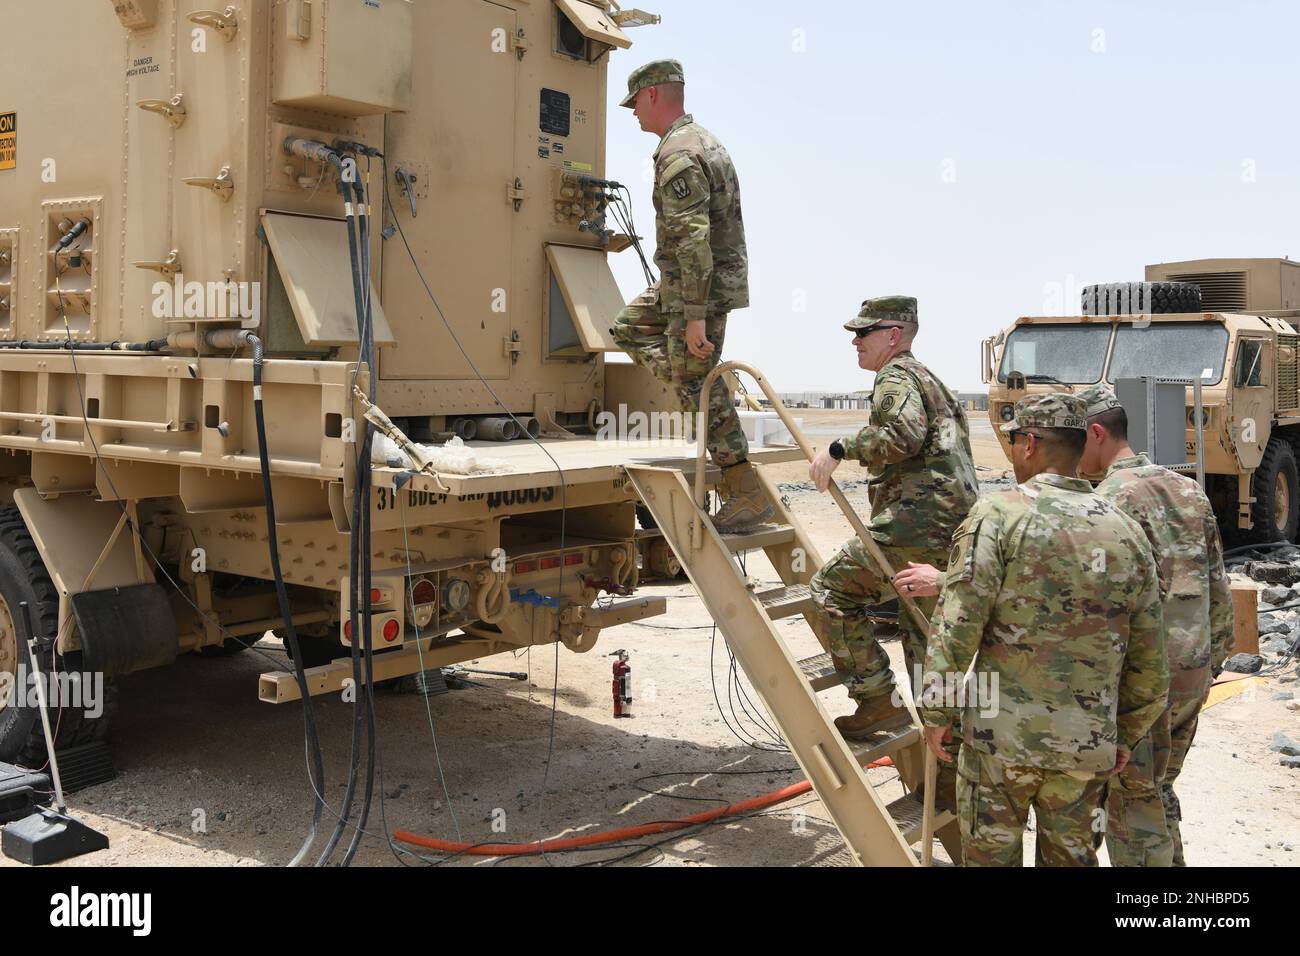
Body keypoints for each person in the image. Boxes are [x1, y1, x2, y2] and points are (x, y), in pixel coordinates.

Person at [920, 393, 1168, 866]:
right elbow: (1150, 661)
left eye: (1014, 441)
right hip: (1086, 746)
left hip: (999, 745)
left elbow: (957, 624)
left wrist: (937, 711)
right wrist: (1124, 734)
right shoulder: (1126, 531)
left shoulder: (997, 516)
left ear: (1030, 443)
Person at [807, 296, 978, 740]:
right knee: (927, 642)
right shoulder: (928, 377)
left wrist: (839, 448)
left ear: (893, 335)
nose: (855, 342)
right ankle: (943, 782)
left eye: (863, 334)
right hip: (948, 530)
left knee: (831, 591)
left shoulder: (896, 375)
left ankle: (877, 699)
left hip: (913, 526)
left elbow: (902, 435)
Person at [1078, 384, 1233, 866]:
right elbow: (1218, 589)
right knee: (1156, 790)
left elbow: (1101, 609)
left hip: (1144, 685)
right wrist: (1212, 662)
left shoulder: (1107, 501)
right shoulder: (1187, 488)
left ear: (1096, 434)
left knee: (1132, 803)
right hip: (1193, 670)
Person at [610, 60, 767, 530]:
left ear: (654, 95)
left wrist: (695, 316)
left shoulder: (679, 153)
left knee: (697, 387)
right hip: (686, 285)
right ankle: (690, 374)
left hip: (698, 292)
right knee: (628, 328)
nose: (633, 112)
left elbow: (695, 239)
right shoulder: (702, 140)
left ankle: (744, 489)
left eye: (635, 101)